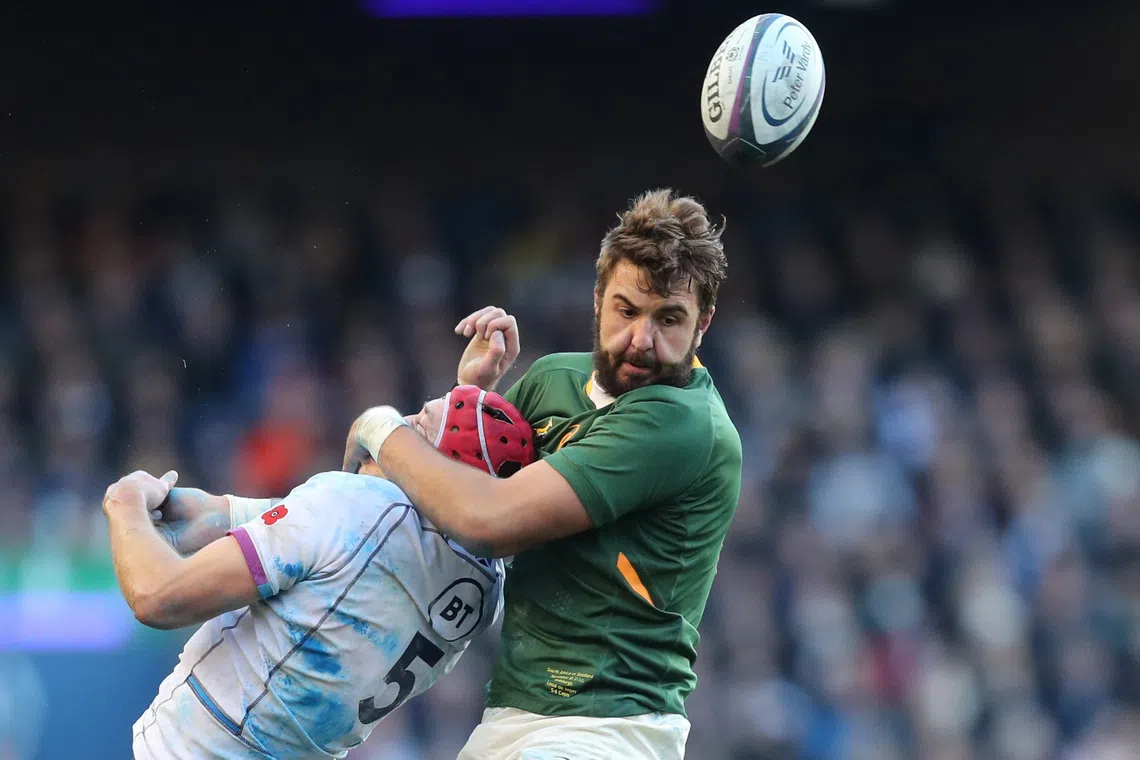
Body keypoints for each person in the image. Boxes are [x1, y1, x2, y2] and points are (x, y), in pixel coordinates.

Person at [344, 188, 743, 760]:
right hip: (512, 715)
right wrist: (470, 398)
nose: (642, 340)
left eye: (669, 319)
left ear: (703, 322)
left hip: (609, 732)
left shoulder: (683, 426)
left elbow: (486, 521)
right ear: (598, 297)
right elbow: (420, 497)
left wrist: (378, 423)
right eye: (627, 310)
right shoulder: (553, 379)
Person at [102, 386, 536, 759]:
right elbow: (442, 508)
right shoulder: (485, 590)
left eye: (418, 425)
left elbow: (157, 596)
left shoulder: (355, 508)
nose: (400, 428)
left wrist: (124, 503)